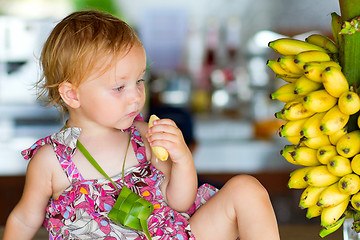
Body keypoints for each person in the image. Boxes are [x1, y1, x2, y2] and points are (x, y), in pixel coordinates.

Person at [3, 10, 280, 240]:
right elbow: (25, 220)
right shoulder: (51, 160)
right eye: (119, 87)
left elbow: (180, 202)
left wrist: (182, 158)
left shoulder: (143, 136)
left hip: (172, 233)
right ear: (72, 94)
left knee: (246, 189)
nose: (136, 96)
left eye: (139, 81)